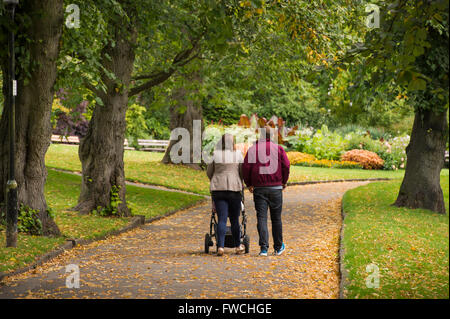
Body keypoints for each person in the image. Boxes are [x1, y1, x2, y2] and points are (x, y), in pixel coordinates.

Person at [242, 127, 290, 256]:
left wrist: (249, 184)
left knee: (261, 218)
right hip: (275, 188)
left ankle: (264, 249)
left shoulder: (253, 149)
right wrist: (284, 181)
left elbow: (246, 168)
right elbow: (286, 165)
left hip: (259, 188)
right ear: (272, 136)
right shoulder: (279, 149)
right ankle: (278, 247)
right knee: (276, 218)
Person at [207, 134, 245, 256]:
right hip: (234, 189)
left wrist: (216, 179)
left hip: (219, 189)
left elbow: (209, 172)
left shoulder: (215, 155)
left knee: (222, 219)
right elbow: (242, 172)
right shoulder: (238, 155)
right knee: (234, 219)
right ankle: (238, 246)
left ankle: (221, 247)